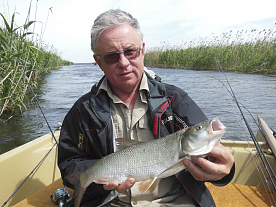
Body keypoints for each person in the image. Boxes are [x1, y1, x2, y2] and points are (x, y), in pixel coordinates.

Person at [58, 9, 235, 207]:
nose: (124, 63)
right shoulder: (83, 110)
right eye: (111, 56)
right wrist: (101, 180)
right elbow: (69, 164)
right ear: (99, 62)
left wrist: (225, 171)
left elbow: (207, 147)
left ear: (142, 51)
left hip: (175, 201)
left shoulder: (175, 99)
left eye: (130, 52)